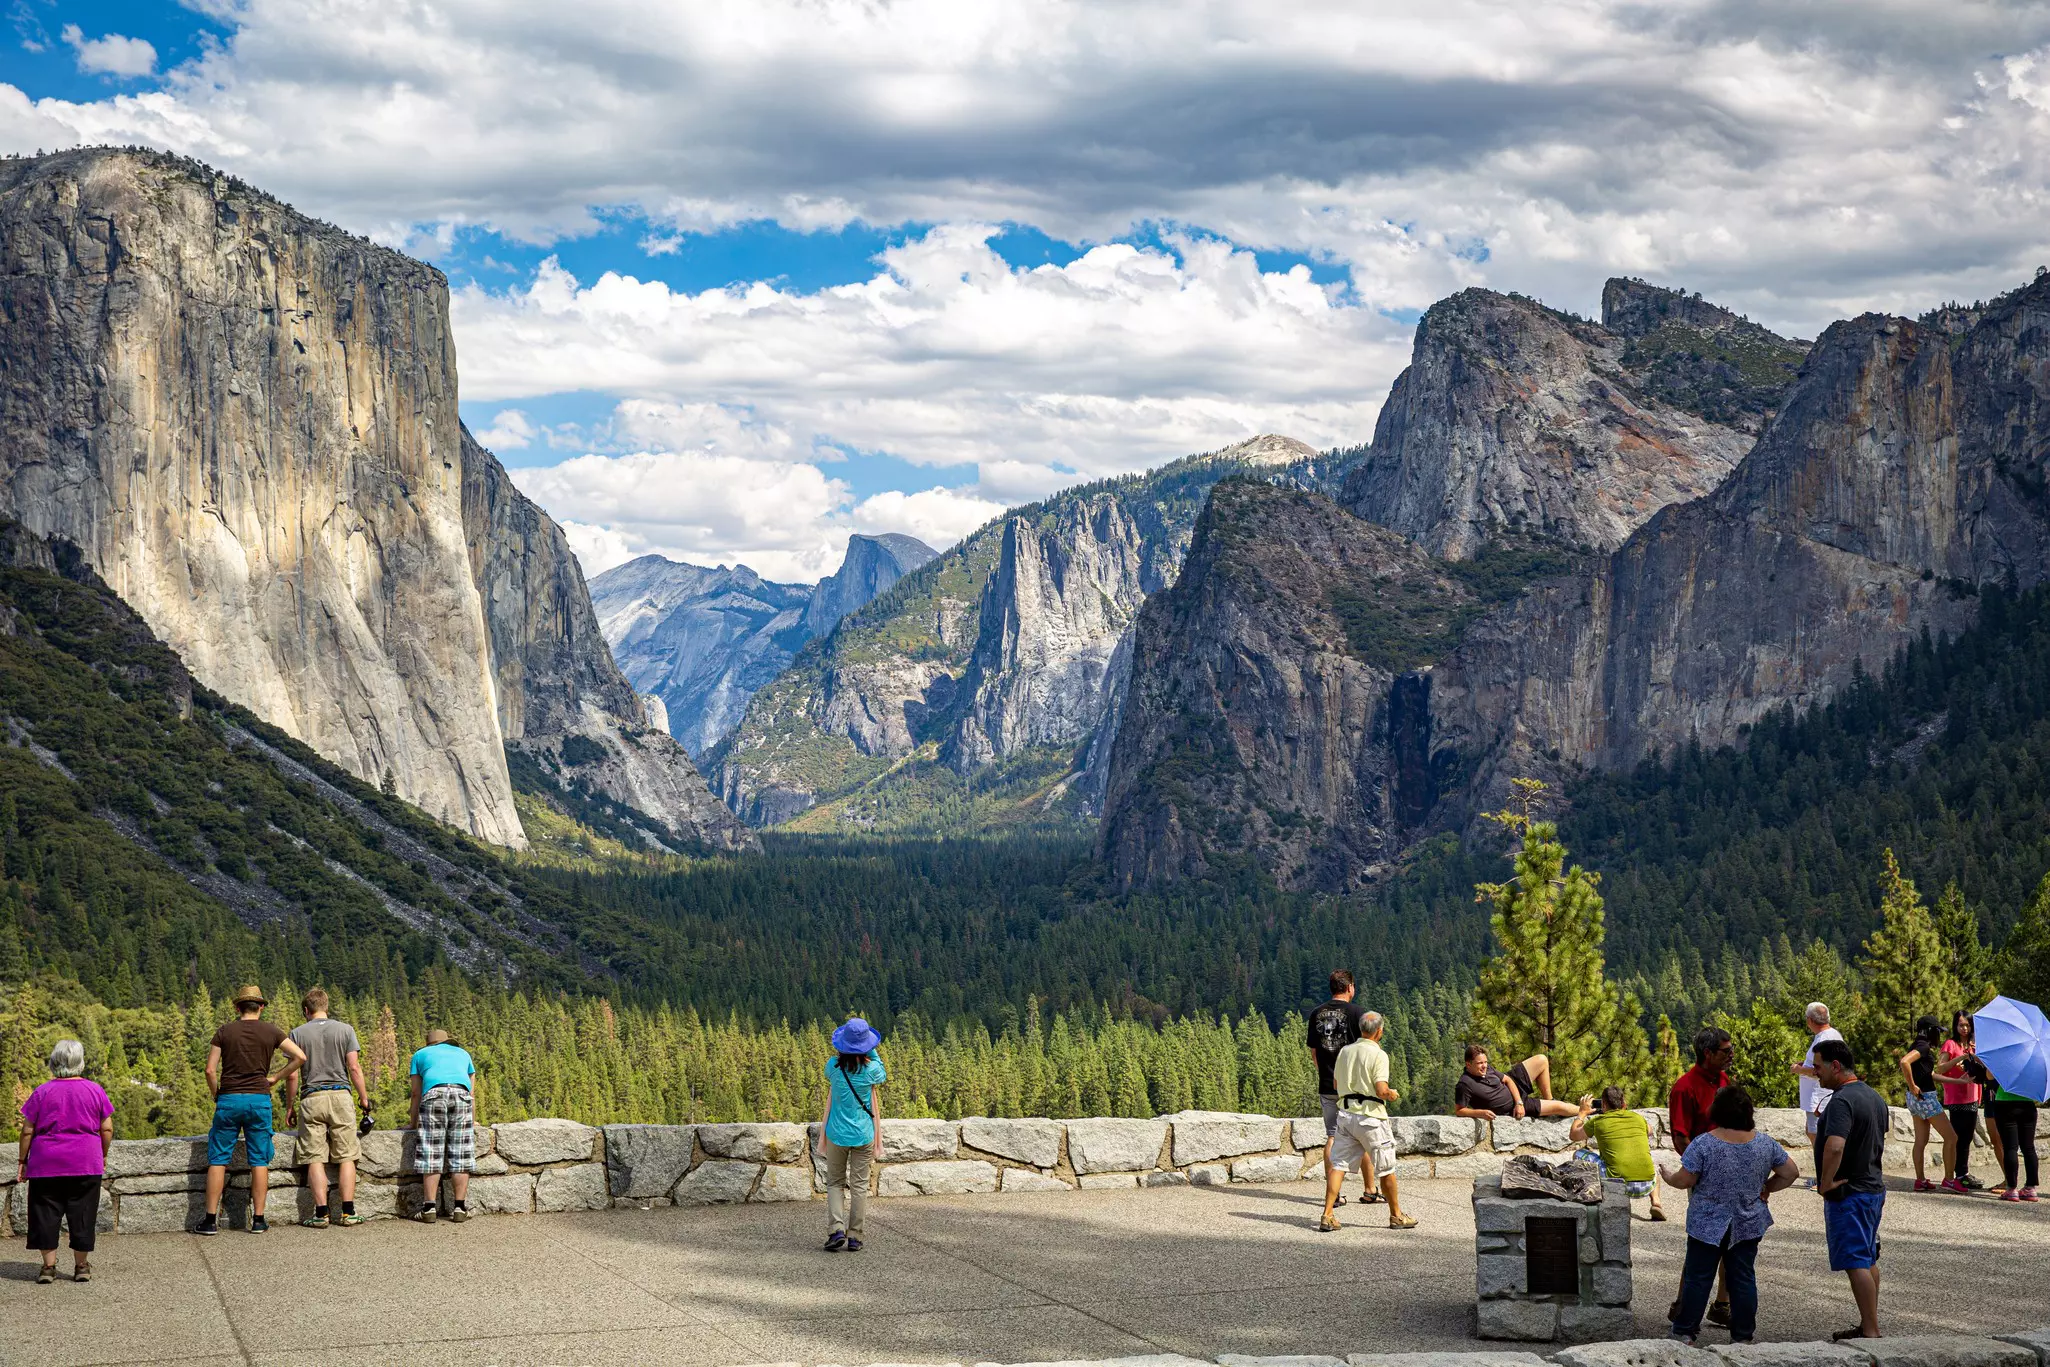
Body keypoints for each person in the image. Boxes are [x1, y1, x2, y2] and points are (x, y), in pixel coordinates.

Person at [1658, 1085, 1801, 1345]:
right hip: (1747, 1221)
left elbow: (1685, 1179)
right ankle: (1743, 1336)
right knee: (1743, 1278)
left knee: (1698, 1277)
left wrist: (1667, 1177)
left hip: (1707, 1223)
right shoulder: (1765, 1144)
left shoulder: (1704, 1143)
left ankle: (1685, 1332)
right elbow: (1791, 1172)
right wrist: (1767, 1187)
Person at [196, 985, 306, 1235]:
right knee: (259, 1160)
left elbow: (210, 1070)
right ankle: (258, 1219)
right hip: (259, 1099)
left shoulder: (224, 1031)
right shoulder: (271, 1031)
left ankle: (210, 1220)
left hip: (229, 1099)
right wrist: (276, 1077)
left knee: (218, 1159)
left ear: (237, 1007)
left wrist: (217, 1093)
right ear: (261, 1007)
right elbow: (300, 1057)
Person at [17, 1040, 113, 1284]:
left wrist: (22, 1160)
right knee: (83, 1213)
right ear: (80, 1063)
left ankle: (48, 1268)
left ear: (54, 1062)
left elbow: (28, 1130)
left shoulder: (42, 1091)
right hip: (85, 1162)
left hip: (45, 1163)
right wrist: (102, 1153)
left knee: (45, 1214)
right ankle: (81, 1266)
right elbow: (107, 1129)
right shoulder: (95, 1090)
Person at [1813, 1039, 1888, 1341]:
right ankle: (1867, 1322)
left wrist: (1826, 1182)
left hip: (1850, 1193)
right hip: (1872, 1188)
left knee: (1856, 1260)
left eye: (1818, 1067)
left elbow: (1836, 1145)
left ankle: (1870, 1330)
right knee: (1868, 1258)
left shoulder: (1842, 1101)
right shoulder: (1874, 1097)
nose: (1815, 1073)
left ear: (1835, 1066)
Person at [1317, 1012, 1416, 1232]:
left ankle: (1327, 1214)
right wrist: (1391, 1094)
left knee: (1338, 1165)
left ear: (1362, 1029)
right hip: (1371, 1116)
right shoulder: (1378, 1054)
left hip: (1346, 1115)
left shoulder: (1345, 1051)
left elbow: (1335, 1083)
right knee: (1386, 1167)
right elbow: (1381, 1089)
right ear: (1379, 1031)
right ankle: (1396, 1216)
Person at [285, 987, 372, 1228]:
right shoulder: (345, 1030)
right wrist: (364, 1098)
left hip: (311, 1098)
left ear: (306, 1010)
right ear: (326, 1007)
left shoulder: (296, 1034)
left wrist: (289, 1106)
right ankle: (348, 1212)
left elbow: (292, 1075)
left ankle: (321, 1214)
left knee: (314, 1157)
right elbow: (354, 1067)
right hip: (341, 1097)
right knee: (346, 1155)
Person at [816, 1017, 885, 1251]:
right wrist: (871, 1051)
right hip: (864, 1135)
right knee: (859, 1185)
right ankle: (855, 1236)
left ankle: (836, 1230)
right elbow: (882, 1072)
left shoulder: (832, 1067)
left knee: (835, 1182)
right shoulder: (871, 1070)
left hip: (836, 1134)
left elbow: (834, 1064)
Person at [1306, 970, 1372, 1206]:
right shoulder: (1359, 1013)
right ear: (1350, 987)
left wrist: (1325, 1073)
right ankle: (1370, 1189)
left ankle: (1333, 1195)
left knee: (1332, 1136)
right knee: (1363, 1135)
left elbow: (1314, 1051)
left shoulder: (1316, 1014)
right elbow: (1367, 1050)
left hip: (1327, 1083)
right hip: (1354, 1086)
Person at [408, 1028, 478, 1224]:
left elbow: (416, 1092)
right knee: (461, 1152)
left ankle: (429, 1208)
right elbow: (471, 1092)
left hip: (434, 1095)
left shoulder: (419, 1055)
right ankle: (460, 1208)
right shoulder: (463, 1054)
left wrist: (412, 1123)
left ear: (429, 1043)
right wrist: (472, 1120)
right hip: (461, 1096)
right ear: (448, 1042)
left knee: (431, 1151)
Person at [1572, 1085, 1665, 1221]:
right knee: (1651, 1165)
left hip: (1618, 1185)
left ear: (1603, 1104)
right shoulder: (1637, 1118)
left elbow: (1574, 1135)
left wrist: (1582, 1113)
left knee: (1579, 1154)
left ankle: (1594, 1197)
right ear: (1624, 1103)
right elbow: (1650, 1130)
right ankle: (1656, 1202)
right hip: (1647, 1185)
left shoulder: (1598, 1122)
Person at [1897, 1016, 1961, 1193]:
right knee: (1951, 1137)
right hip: (1926, 1098)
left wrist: (1958, 1081)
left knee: (1921, 1140)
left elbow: (1929, 1074)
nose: (1939, 1035)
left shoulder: (1917, 1045)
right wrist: (1912, 1085)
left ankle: (1921, 1180)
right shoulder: (1923, 1047)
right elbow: (1904, 1062)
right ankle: (1949, 1180)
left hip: (1915, 1098)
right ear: (1930, 1031)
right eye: (1938, 1031)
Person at [1934, 1010, 1988, 1189]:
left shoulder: (1974, 1045)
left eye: (1967, 1025)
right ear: (1955, 1026)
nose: (1964, 1028)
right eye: (1961, 1025)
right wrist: (1962, 1057)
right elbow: (1940, 1069)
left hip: (1973, 1096)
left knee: (1966, 1138)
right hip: (1956, 1098)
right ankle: (1955, 1175)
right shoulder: (1950, 1044)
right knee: (1957, 1137)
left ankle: (1962, 1173)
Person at [1452, 1045, 1576, 1120]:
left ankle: (1549, 1100)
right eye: (1480, 1063)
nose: (1484, 1066)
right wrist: (1480, 1113)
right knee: (1561, 1107)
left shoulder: (1487, 1068)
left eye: (1485, 1062)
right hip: (1511, 1108)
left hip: (1515, 1091)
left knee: (1542, 1060)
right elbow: (1459, 1110)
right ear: (1468, 1064)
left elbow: (1507, 1079)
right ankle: (1589, 1109)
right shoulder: (1465, 1084)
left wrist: (1519, 1102)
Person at [1669, 1027, 1734, 1155]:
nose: (1731, 1055)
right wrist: (1700, 1166)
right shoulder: (1684, 1088)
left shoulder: (1723, 1079)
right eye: (1726, 1051)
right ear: (1707, 1053)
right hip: (1703, 1165)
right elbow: (1681, 1138)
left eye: (1732, 1049)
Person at [1790, 1002, 1843, 1151]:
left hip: (1818, 1096)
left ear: (1810, 1020)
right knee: (1814, 1132)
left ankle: (1824, 1172)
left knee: (1817, 1136)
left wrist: (1798, 1069)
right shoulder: (1833, 1034)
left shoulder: (1822, 1039)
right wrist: (1805, 1063)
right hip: (1825, 1095)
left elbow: (1819, 1070)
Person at [1985, 1067, 2041, 1203]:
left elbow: (1990, 1077)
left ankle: (2011, 1189)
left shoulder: (2005, 1060)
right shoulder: (2033, 1063)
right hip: (2027, 1105)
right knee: (2029, 1148)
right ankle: (2030, 1188)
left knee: (2010, 1148)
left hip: (2005, 1104)